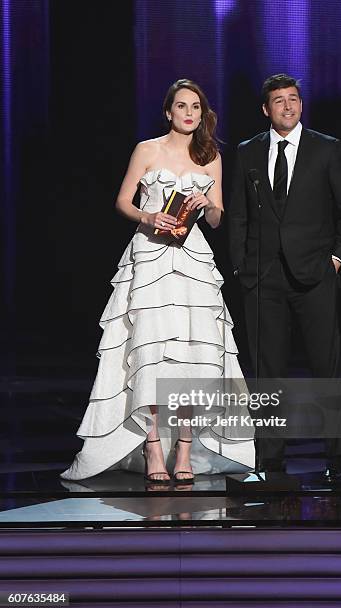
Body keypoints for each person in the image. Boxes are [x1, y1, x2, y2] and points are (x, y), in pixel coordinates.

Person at [61, 79, 254, 484]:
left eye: (196, 107)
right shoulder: (147, 150)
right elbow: (122, 201)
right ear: (168, 112)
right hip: (150, 258)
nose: (189, 113)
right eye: (181, 106)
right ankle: (152, 446)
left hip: (193, 260)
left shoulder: (211, 155)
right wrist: (147, 217)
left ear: (202, 114)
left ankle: (183, 448)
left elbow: (219, 218)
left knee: (192, 353)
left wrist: (208, 205)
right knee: (151, 350)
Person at [229, 74, 341, 482]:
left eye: (293, 100)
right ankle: (271, 458)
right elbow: (238, 214)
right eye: (278, 101)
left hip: (315, 275)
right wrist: (241, 266)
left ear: (301, 105)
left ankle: (337, 456)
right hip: (263, 278)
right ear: (266, 109)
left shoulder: (327, 148)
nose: (287, 107)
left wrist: (337, 259)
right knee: (269, 372)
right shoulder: (248, 152)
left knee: (327, 367)